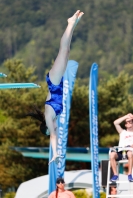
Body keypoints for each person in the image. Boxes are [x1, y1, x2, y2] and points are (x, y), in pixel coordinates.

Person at [26, 10, 84, 164]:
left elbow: (53, 136)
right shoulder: (53, 116)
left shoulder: (48, 117)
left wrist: (55, 153)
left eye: (53, 128)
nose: (55, 128)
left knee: (63, 51)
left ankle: (70, 23)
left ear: (48, 126)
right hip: (57, 81)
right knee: (67, 51)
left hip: (54, 81)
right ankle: (73, 25)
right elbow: (53, 134)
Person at [110, 113, 133, 182]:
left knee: (129, 153)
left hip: (130, 152)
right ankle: (115, 175)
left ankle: (129, 174)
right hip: (121, 152)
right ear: (125, 124)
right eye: (126, 122)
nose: (128, 123)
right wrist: (126, 116)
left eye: (130, 122)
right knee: (112, 155)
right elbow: (115, 123)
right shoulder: (122, 132)